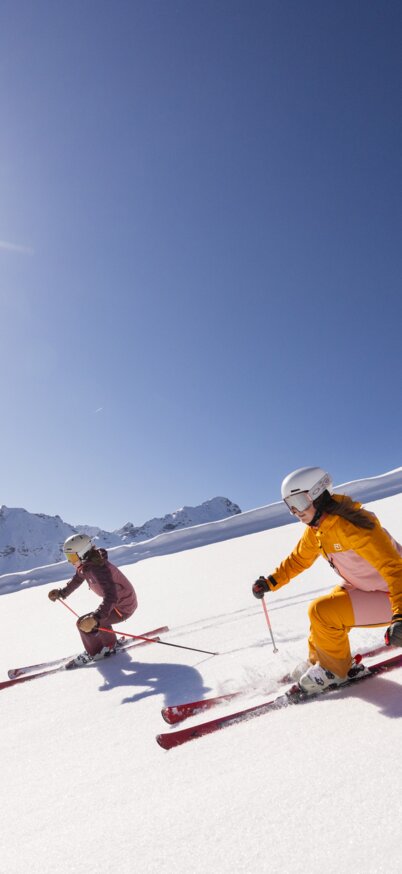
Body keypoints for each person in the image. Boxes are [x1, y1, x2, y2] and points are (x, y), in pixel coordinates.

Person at [252, 467, 402, 694]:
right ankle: (320, 662)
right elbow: (298, 559)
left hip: (394, 595)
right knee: (321, 613)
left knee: (323, 612)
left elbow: (394, 569)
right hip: (371, 588)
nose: (296, 511)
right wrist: (271, 581)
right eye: (289, 505)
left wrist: (399, 615)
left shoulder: (354, 526)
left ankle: (334, 672)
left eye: (299, 502)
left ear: (318, 494)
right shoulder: (318, 529)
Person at [48, 534, 138, 667]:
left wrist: (96, 618)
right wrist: (62, 593)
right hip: (117, 604)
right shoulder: (88, 564)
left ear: (82, 553)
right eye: (68, 557)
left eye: (72, 557)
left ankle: (97, 652)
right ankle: (108, 644)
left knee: (86, 624)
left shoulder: (99, 569)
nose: (69, 561)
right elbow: (78, 579)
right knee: (93, 621)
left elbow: (111, 596)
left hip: (123, 606)